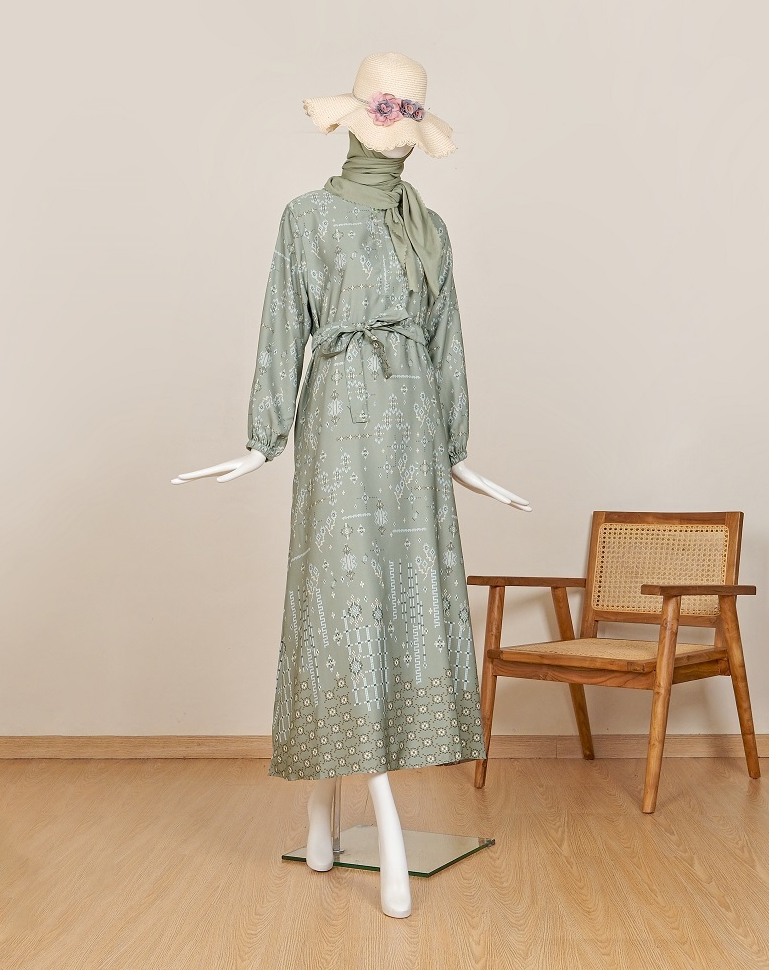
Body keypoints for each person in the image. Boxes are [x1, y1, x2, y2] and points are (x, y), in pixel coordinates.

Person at [174, 52, 529, 918]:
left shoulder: (428, 227)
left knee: (396, 599)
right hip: (337, 420)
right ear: (356, 121)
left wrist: (457, 452)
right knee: (342, 603)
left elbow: (447, 341)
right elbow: (281, 324)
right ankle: (381, 825)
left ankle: (321, 820)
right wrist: (262, 439)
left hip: (412, 433)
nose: (394, 131)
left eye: (406, 117)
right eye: (385, 113)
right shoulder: (306, 217)